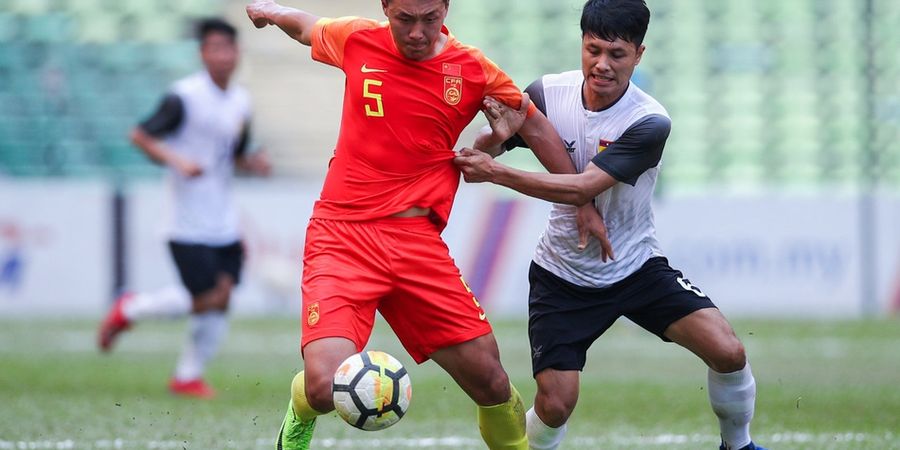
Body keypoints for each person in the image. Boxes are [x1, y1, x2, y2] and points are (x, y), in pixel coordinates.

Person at [244, 0, 609, 448]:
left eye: (429, 19)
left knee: (492, 384)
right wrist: (271, 10)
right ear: (385, 8)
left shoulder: (473, 69)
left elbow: (535, 129)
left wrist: (581, 200)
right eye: (404, 20)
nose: (417, 32)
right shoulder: (357, 37)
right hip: (342, 237)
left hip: (417, 244)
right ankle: (300, 409)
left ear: (445, 9)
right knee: (324, 388)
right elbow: (305, 27)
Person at [453, 1, 768, 449]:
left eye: (616, 54)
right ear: (581, 43)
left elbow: (582, 187)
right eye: (593, 49)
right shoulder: (546, 93)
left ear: (639, 54)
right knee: (556, 404)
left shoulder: (648, 122)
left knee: (728, 351)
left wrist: (495, 173)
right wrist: (494, 140)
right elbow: (500, 142)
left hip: (635, 266)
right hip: (562, 275)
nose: (601, 65)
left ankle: (738, 446)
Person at [97, 18, 271, 399]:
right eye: (215, 49)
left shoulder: (241, 100)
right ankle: (131, 309)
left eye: (229, 48)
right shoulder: (184, 96)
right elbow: (140, 135)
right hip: (186, 222)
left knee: (222, 298)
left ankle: (188, 375)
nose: (223, 56)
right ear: (202, 54)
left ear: (237, 52)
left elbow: (235, 156)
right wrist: (178, 161)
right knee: (208, 295)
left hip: (224, 219)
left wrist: (254, 162)